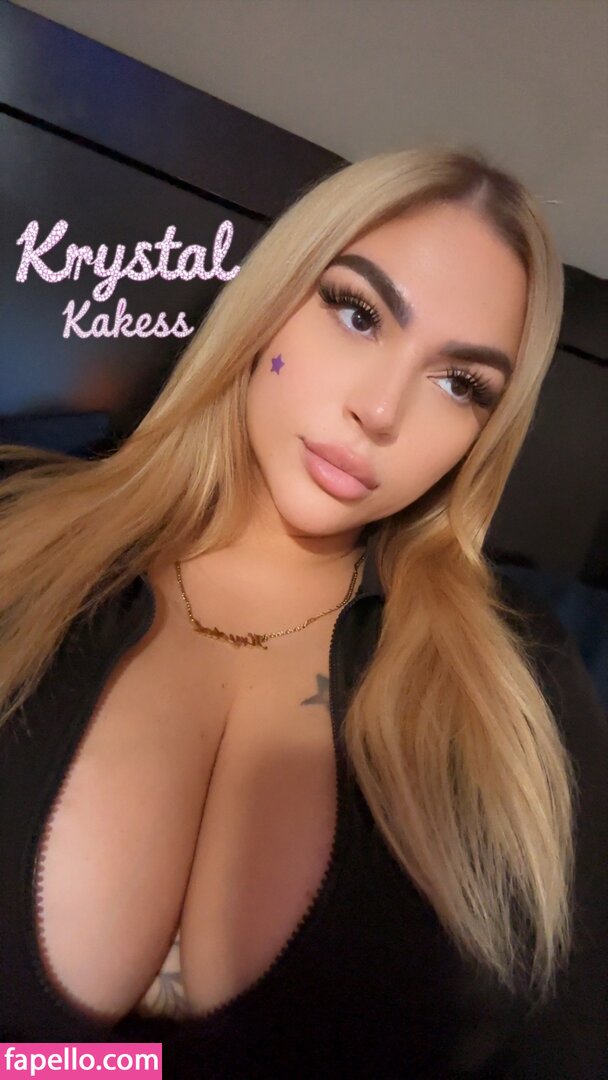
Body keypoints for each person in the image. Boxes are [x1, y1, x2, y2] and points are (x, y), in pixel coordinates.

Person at [0, 146, 606, 1080]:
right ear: (274, 297)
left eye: (461, 384)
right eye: (359, 313)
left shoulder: (519, 685)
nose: (381, 410)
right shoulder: (19, 532)